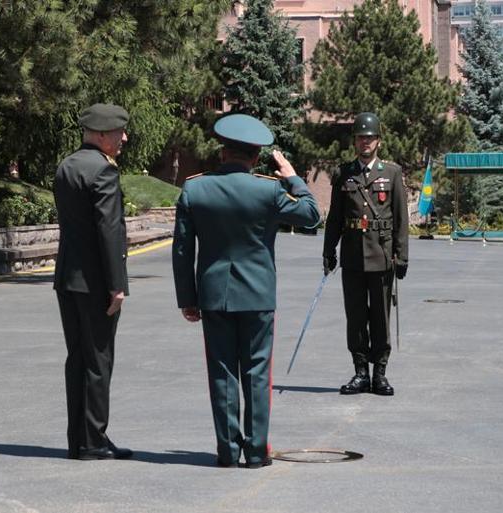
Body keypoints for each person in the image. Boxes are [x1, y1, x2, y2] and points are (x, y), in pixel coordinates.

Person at [172, 114, 320, 469]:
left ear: (223, 153)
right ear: (255, 156)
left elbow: (182, 250)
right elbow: (312, 215)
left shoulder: (195, 188)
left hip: (213, 296)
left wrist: (187, 299)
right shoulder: (268, 189)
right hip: (257, 296)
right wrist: (292, 177)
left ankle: (227, 450)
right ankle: (255, 452)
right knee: (256, 373)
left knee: (222, 373)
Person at [53, 103, 132, 460]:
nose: (124, 138)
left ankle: (78, 439)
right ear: (101, 135)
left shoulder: (67, 166)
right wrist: (117, 285)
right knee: (99, 361)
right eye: (119, 133)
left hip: (68, 278)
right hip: (97, 283)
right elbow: (109, 230)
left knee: (78, 358)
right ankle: (94, 440)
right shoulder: (103, 171)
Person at [322, 112, 409, 396]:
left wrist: (402, 255)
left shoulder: (392, 173)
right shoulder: (344, 173)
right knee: (356, 317)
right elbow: (335, 217)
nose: (365, 142)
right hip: (352, 256)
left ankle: (379, 374)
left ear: (378, 142)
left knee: (381, 319)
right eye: (361, 138)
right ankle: (360, 372)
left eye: (370, 138)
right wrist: (328, 251)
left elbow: (400, 218)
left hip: (382, 256)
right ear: (355, 142)